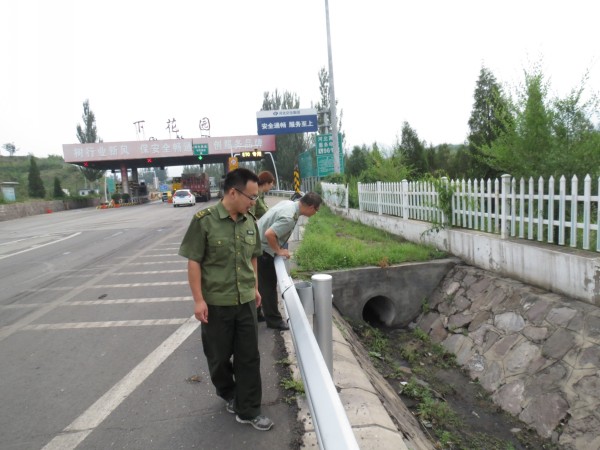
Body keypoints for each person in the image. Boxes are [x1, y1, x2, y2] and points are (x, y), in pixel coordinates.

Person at [178, 168, 274, 431]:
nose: (254, 202)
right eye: (251, 197)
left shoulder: (250, 221)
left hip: (245, 302)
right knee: (218, 358)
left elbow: (253, 257)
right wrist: (198, 300)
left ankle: (249, 409)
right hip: (216, 304)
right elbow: (194, 262)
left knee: (249, 357)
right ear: (233, 192)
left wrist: (255, 288)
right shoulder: (204, 221)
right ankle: (228, 392)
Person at [257, 192, 323, 330]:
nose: (315, 213)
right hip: (263, 251)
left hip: (256, 244)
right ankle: (274, 321)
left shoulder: (289, 204)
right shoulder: (289, 218)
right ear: (311, 207)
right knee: (268, 287)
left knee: (259, 284)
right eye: (316, 210)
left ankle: (257, 313)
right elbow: (270, 234)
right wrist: (278, 250)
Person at [251, 170, 276, 322]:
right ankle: (258, 312)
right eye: (271, 184)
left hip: (259, 239)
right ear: (266, 183)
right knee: (260, 282)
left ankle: (257, 312)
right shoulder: (255, 197)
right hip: (256, 241)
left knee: (258, 282)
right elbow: (251, 218)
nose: (271, 187)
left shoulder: (260, 196)